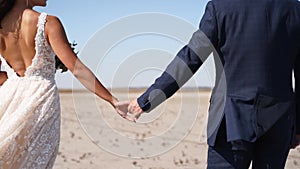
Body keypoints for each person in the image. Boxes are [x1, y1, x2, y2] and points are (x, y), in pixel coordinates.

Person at [117, 0, 300, 168]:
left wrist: (146, 101)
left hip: (230, 122)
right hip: (279, 122)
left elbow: (189, 59)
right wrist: (298, 127)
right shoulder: (294, 9)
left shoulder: (221, 7)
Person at [0, 0, 128, 168]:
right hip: (40, 100)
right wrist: (112, 100)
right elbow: (77, 69)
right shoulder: (48, 22)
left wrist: (15, 81)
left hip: (10, 98)